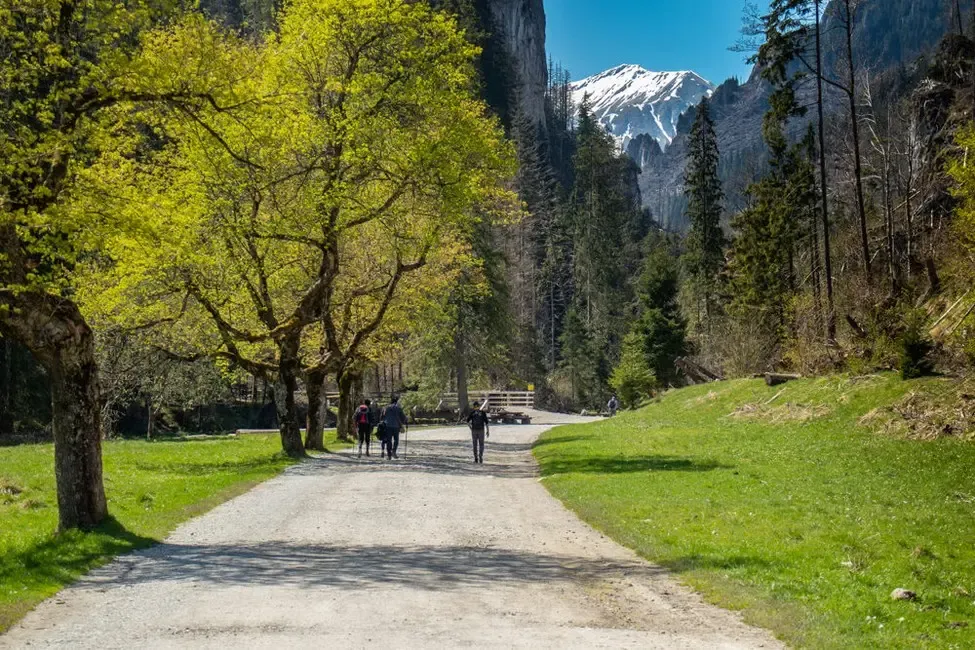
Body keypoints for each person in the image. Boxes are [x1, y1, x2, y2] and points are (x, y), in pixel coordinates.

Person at [381, 395, 408, 460]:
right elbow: (403, 417)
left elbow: (382, 417)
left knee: (388, 440)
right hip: (396, 426)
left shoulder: (385, 408)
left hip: (387, 426)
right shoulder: (398, 408)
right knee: (396, 440)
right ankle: (394, 451)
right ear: (396, 402)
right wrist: (405, 422)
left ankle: (389, 455)